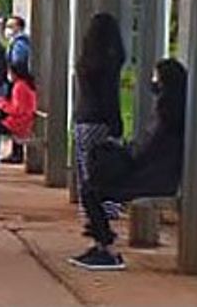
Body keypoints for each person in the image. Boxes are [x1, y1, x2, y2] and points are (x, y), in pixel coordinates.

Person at [70, 59, 187, 271]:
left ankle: (106, 248)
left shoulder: (167, 114)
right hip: (153, 173)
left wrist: (124, 154)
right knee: (93, 186)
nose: (153, 81)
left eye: (155, 77)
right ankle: (102, 244)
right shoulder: (171, 110)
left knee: (92, 190)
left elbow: (147, 149)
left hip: (154, 178)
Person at [73, 13, 126, 212]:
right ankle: (106, 209)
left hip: (82, 119)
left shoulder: (84, 62)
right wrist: (116, 124)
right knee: (105, 168)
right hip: (102, 120)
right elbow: (109, 95)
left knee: (86, 167)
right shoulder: (109, 63)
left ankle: (88, 209)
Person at [3, 16, 32, 164]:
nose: (7, 29)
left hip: (17, 82)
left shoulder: (19, 44)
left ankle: (17, 151)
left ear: (19, 27)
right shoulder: (19, 42)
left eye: (11, 26)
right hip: (18, 80)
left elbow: (18, 62)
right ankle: (16, 150)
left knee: (16, 113)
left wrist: (13, 73)